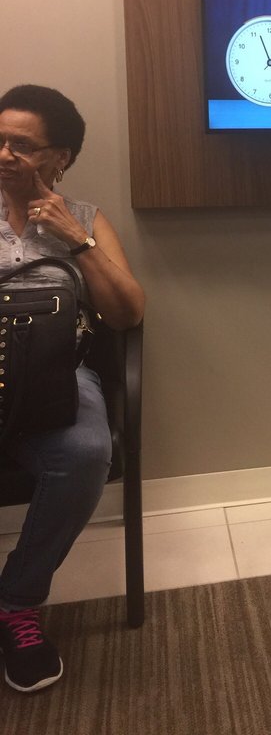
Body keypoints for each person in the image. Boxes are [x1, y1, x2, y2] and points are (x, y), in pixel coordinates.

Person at [0, 84, 145, 693]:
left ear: (60, 158)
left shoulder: (83, 218)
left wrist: (75, 240)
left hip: (58, 371)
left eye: (22, 145)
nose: (4, 153)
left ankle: (17, 603)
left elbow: (128, 313)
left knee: (86, 452)